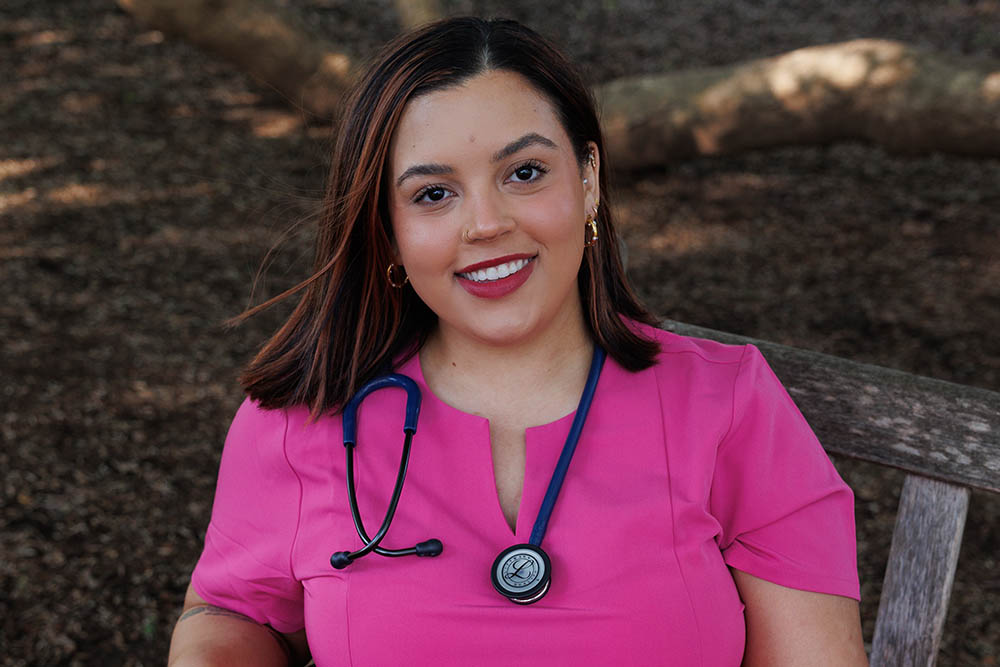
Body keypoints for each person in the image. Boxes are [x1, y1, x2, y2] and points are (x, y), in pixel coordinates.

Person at [168, 16, 868, 666]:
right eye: (433, 194)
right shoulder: (302, 420)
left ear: (589, 180)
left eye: (524, 173)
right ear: (388, 229)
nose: (487, 223)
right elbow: (233, 615)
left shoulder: (729, 404)